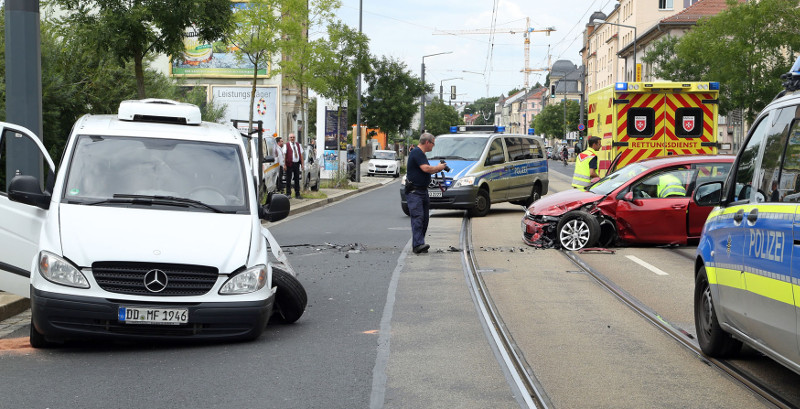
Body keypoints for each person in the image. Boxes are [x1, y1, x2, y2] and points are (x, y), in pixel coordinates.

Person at [405, 133, 448, 254]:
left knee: (424, 219)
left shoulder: (420, 154)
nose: (433, 146)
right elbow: (426, 168)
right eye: (433, 143)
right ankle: (418, 245)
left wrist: (438, 169)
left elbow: (425, 171)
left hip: (422, 191)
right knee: (418, 217)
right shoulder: (417, 152)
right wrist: (438, 168)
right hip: (415, 192)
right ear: (427, 142)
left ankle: (420, 243)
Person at [282, 133, 304, 199]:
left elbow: (301, 155)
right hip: (289, 164)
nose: (292, 138)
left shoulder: (298, 145)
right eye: (291, 137)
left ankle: (297, 194)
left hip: (296, 164)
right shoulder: (286, 145)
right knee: (288, 179)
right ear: (289, 138)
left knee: (297, 179)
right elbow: (284, 155)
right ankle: (288, 193)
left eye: (293, 137)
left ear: (295, 138)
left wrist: (302, 164)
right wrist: (284, 164)